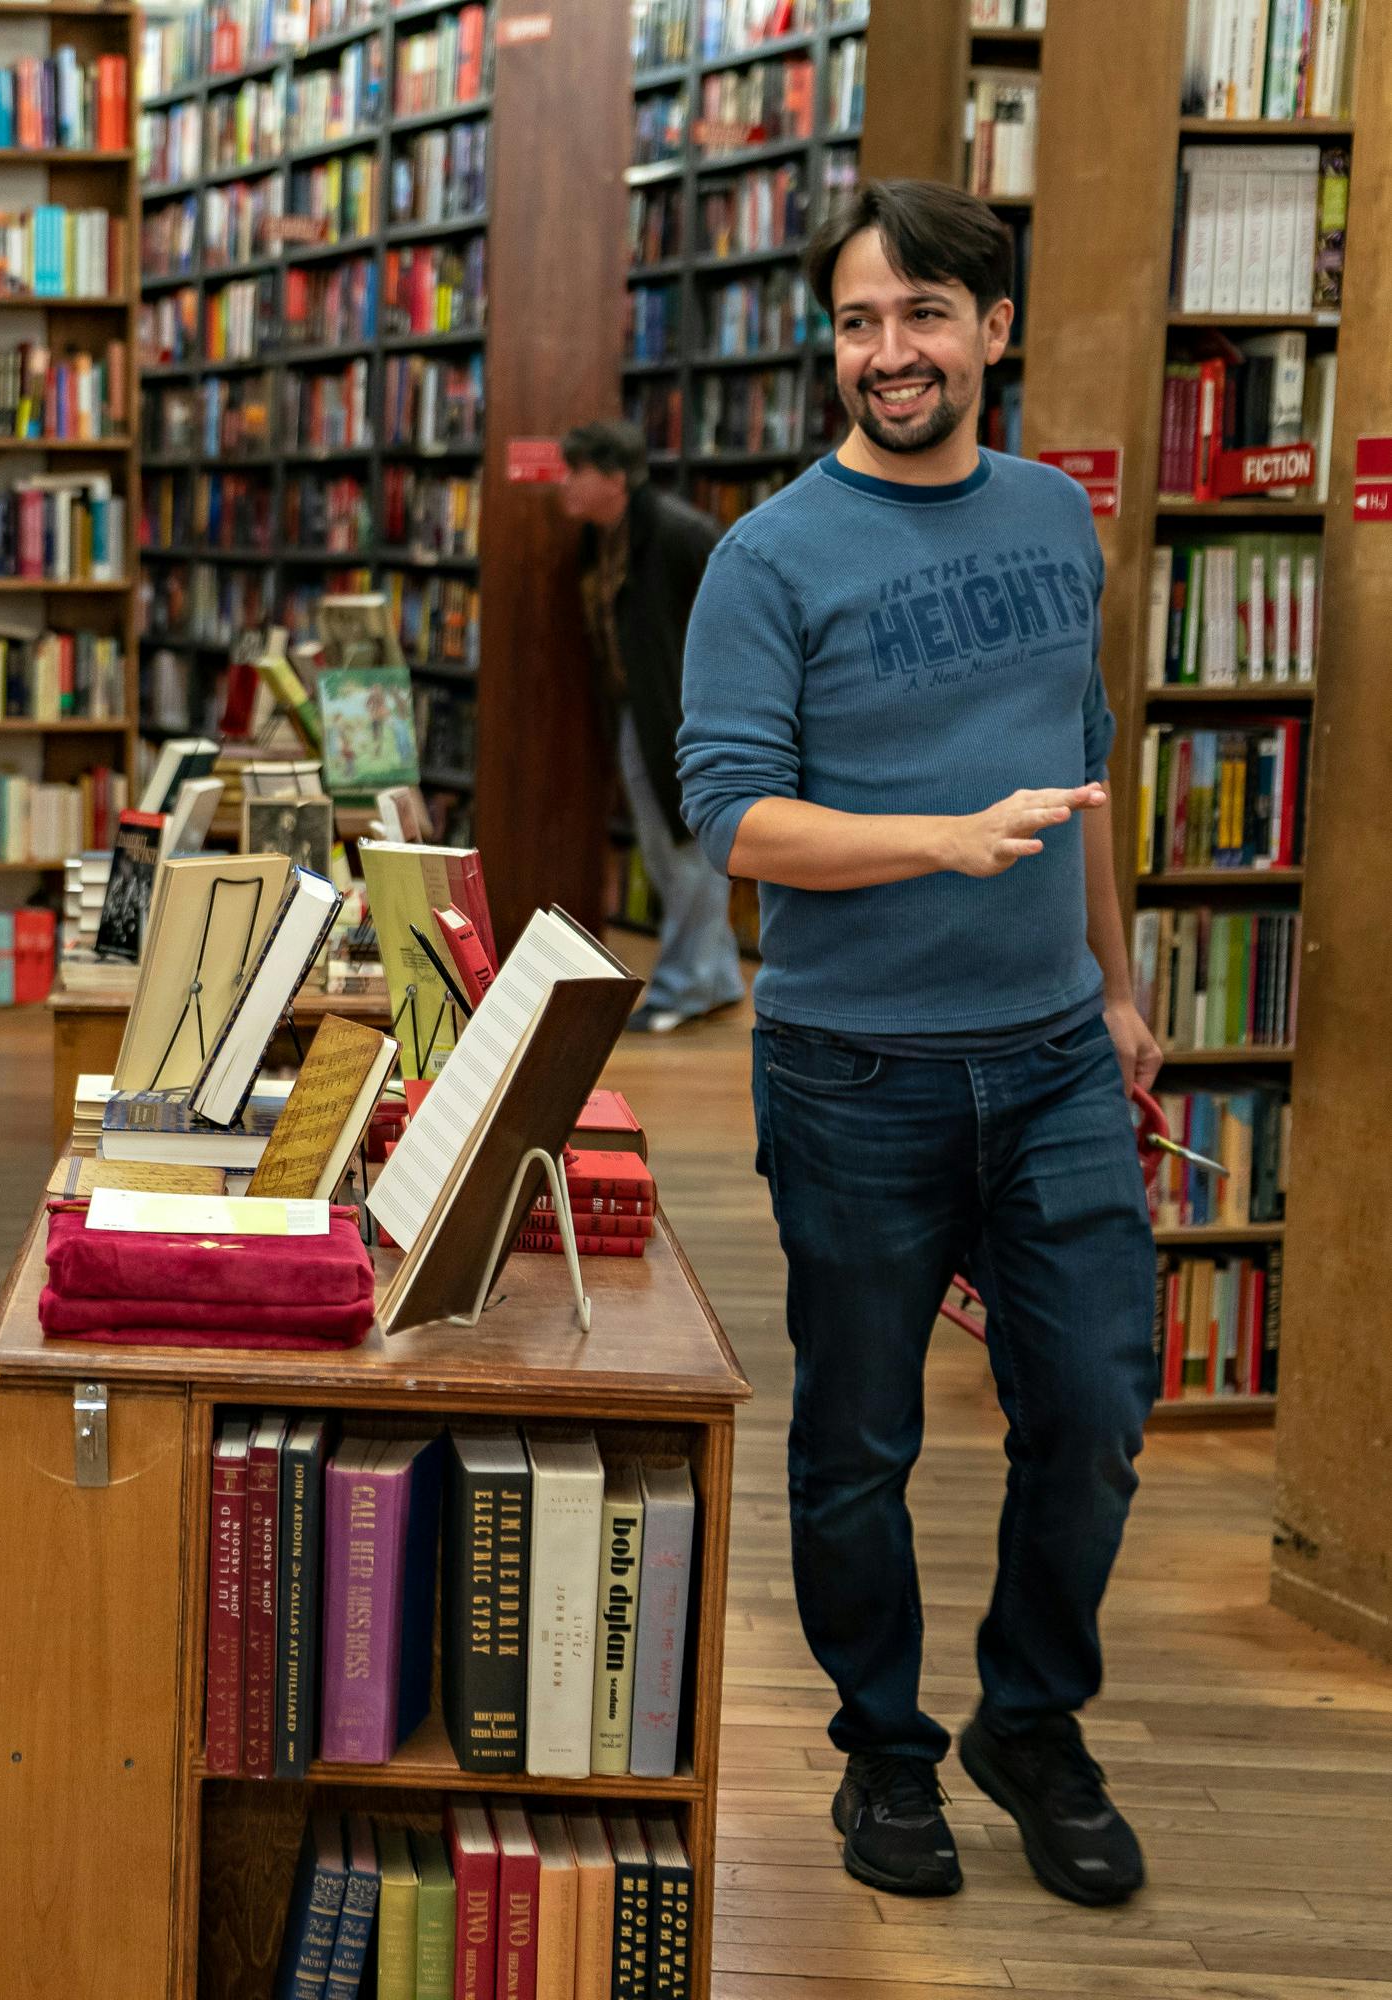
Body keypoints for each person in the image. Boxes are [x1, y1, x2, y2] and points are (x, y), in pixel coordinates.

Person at [677, 179, 1159, 1911]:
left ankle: (1033, 1723)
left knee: (1097, 1409)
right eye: (860, 322)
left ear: (991, 331)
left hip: (1048, 1061)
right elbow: (731, 821)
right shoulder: (766, 558)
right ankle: (883, 1752)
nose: (890, 353)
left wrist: (1114, 986)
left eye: (924, 316)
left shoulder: (1050, 516)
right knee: (857, 1444)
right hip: (853, 1072)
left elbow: (1084, 760)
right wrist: (938, 841)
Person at [557, 420, 745, 1031]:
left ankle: (682, 988)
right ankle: (713, 976)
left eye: (575, 471)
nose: (564, 484)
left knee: (686, 847)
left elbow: (737, 602)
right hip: (639, 710)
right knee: (665, 852)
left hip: (682, 715)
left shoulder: (675, 531)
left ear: (612, 478)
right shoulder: (602, 535)